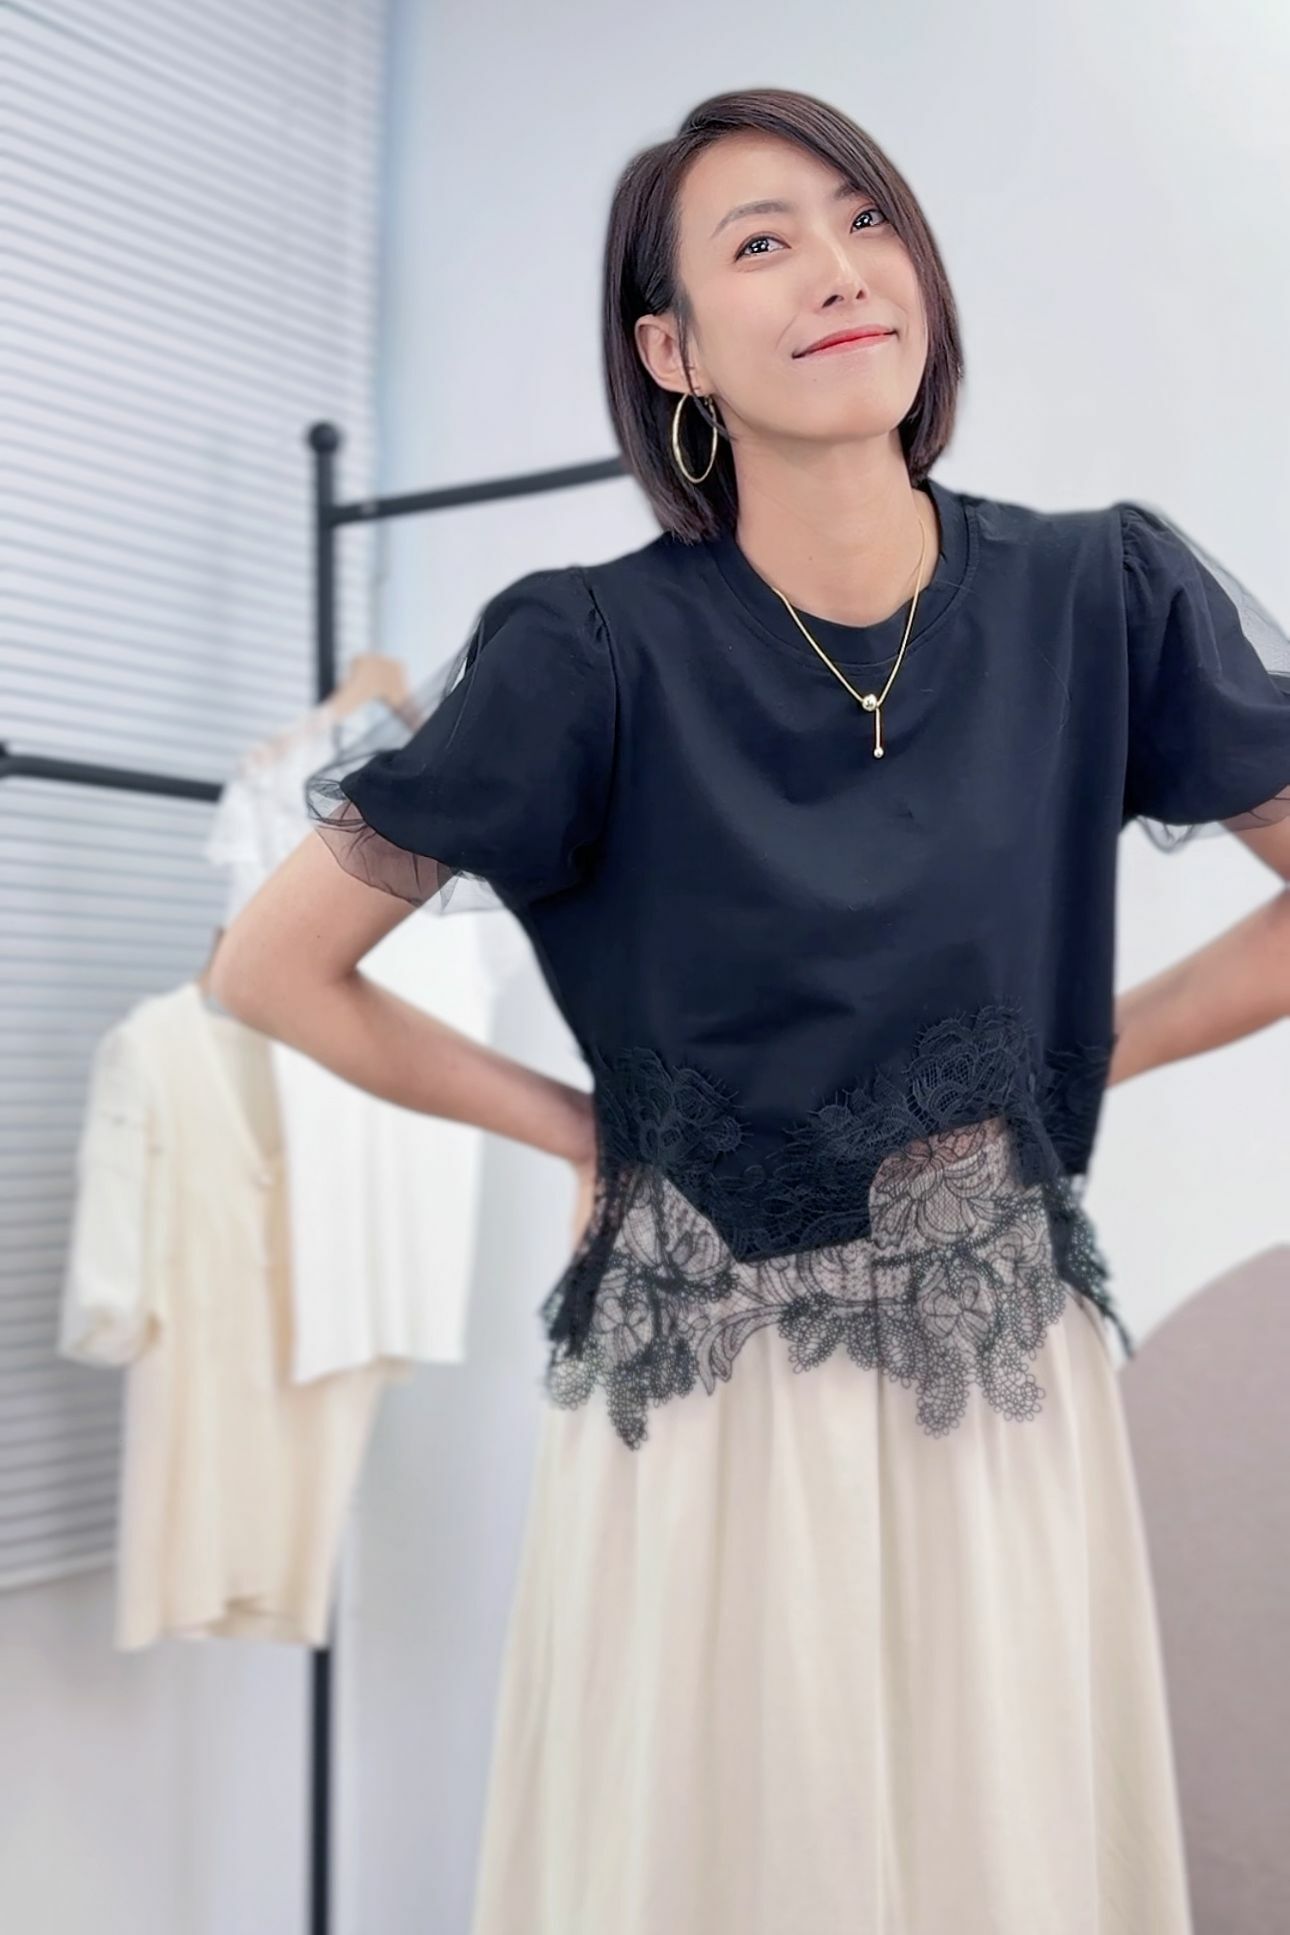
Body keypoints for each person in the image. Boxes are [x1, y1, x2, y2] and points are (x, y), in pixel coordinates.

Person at [212, 86, 1290, 1935]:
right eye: (762, 244)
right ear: (674, 350)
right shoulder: (584, 646)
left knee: (996, 1839)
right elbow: (269, 968)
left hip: (987, 1350)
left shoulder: (1099, 594)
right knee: (727, 1851)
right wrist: (575, 1128)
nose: (839, 271)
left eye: (865, 222)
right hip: (709, 1375)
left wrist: (1071, 1052)